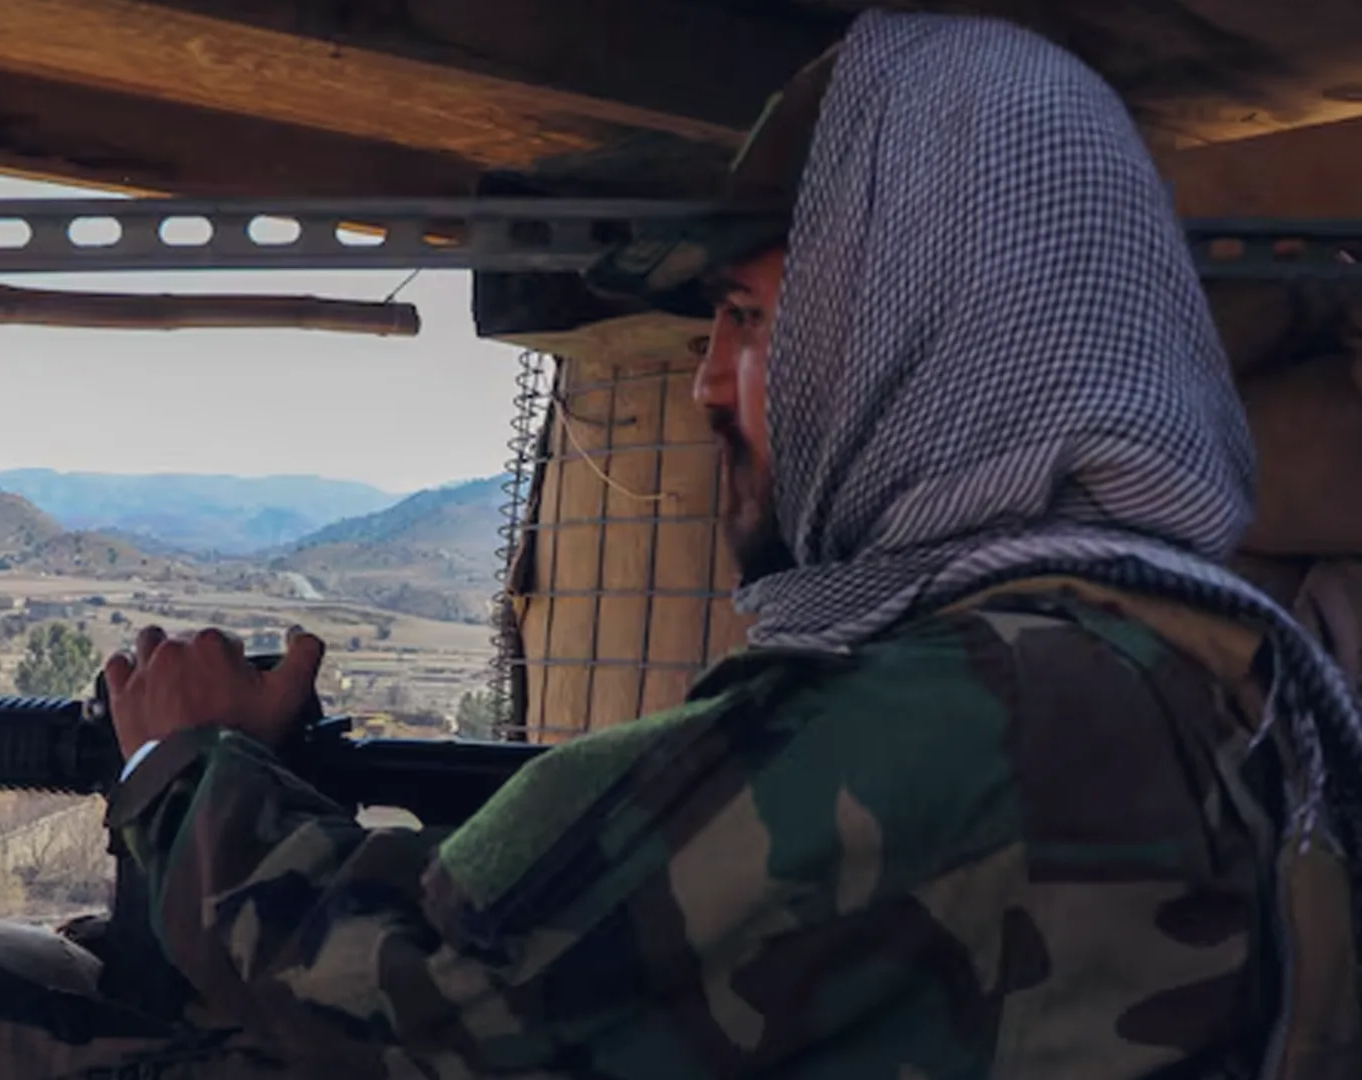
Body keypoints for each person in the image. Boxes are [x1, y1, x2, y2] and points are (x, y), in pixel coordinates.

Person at [100, 9, 1362, 1079]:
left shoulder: (969, 712)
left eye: (753, 319)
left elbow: (426, 1000)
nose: (708, 379)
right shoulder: (1215, 668)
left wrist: (185, 765)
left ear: (932, 339)